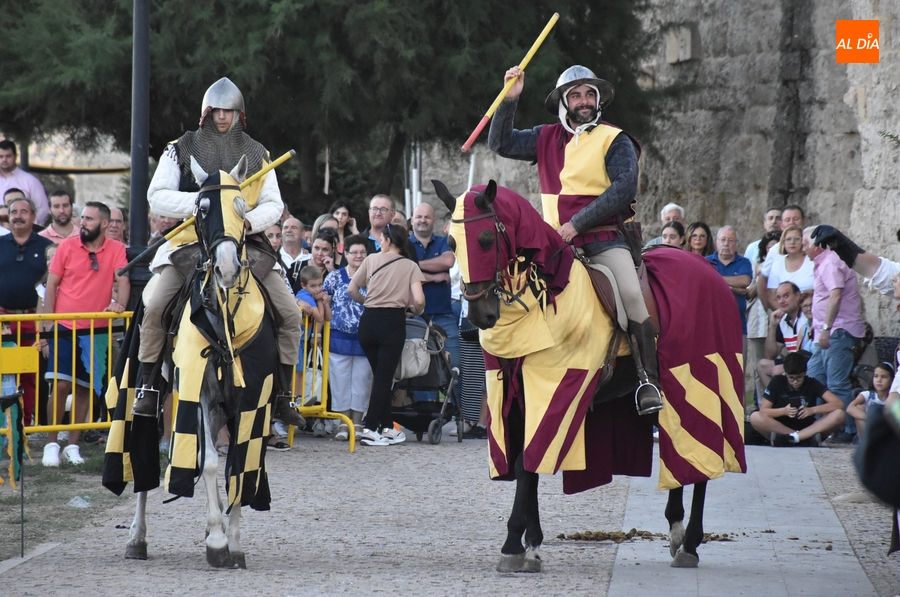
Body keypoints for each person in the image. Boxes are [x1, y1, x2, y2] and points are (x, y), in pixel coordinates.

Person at [487, 64, 663, 414]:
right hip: (554, 246)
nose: (583, 101)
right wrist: (509, 98)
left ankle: (649, 382)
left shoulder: (616, 139)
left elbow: (623, 187)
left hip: (603, 240)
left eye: (588, 95)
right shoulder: (545, 137)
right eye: (575, 95)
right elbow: (500, 142)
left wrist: (577, 224)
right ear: (564, 103)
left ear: (597, 100)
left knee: (631, 296)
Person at [132, 77, 304, 429]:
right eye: (217, 110)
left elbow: (274, 203)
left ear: (239, 114)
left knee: (290, 314)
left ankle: (284, 395)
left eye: (229, 111)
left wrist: (241, 221)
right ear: (205, 113)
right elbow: (157, 194)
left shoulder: (257, 153)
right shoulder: (179, 148)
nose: (223, 117)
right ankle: (148, 386)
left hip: (245, 242)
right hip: (190, 242)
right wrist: (204, 203)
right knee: (155, 306)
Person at [41, 202, 129, 466]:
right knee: (60, 384)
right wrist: (47, 326)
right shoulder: (66, 246)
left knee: (84, 388)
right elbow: (51, 286)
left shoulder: (117, 249)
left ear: (104, 224)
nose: (83, 223)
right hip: (64, 326)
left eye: (90, 219)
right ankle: (51, 443)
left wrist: (120, 304)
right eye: (84, 218)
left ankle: (72, 445)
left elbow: (122, 280)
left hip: (97, 329)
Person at [348, 224, 425, 446]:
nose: (380, 243)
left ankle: (387, 426)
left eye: (381, 240)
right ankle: (370, 428)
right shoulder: (410, 266)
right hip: (392, 322)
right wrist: (414, 311)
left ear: (389, 241)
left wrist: (369, 303)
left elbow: (352, 289)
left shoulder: (371, 260)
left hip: (368, 321)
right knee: (383, 377)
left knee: (380, 376)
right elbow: (419, 300)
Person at [802, 226, 866, 443]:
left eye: (805, 243)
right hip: (826, 330)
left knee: (837, 383)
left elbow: (835, 296)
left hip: (837, 330)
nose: (802, 247)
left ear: (817, 244)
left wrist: (827, 327)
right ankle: (821, 426)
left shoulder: (830, 262)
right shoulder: (823, 262)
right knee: (814, 378)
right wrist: (818, 325)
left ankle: (846, 429)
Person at [0, 195, 54, 427]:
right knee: (3, 372)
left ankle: (26, 423)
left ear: (33, 216)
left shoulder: (46, 247)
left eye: (23, 212)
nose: (18, 216)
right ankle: (4, 426)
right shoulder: (0, 244)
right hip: (3, 319)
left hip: (34, 318)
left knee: (30, 374)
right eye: (14, 212)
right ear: (8, 217)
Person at [322, 235, 372, 441]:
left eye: (362, 252)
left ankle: (358, 422)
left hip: (365, 337)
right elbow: (324, 303)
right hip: (338, 337)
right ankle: (343, 423)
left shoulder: (373, 276)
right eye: (354, 252)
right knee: (340, 381)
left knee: (362, 380)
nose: (358, 256)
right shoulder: (333, 277)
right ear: (346, 254)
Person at [409, 202, 459, 399]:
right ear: (412, 220)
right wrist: (433, 276)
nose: (422, 220)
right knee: (420, 368)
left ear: (434, 221)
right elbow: (402, 271)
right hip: (415, 317)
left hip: (444, 315)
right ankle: (424, 414)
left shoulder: (444, 241)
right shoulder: (405, 244)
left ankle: (457, 417)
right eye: (419, 217)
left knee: (454, 367)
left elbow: (447, 262)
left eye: (427, 217)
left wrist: (415, 266)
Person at [749, 351, 846, 447]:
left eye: (799, 378)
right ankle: (800, 438)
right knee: (755, 417)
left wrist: (812, 410)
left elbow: (838, 403)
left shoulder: (812, 383)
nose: (795, 382)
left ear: (805, 373)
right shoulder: (777, 381)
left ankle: (794, 438)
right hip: (781, 426)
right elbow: (764, 411)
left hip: (809, 427)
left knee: (839, 414)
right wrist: (784, 411)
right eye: (791, 378)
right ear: (785, 374)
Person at [294, 265, 332, 439]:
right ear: (304, 285)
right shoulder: (304, 297)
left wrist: (323, 303)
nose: (318, 289)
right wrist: (320, 302)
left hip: (304, 339)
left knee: (301, 369)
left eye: (320, 285)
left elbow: (327, 318)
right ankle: (297, 398)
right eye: (313, 286)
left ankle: (300, 397)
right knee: (299, 370)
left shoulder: (308, 295)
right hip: (298, 339)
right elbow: (318, 317)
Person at [746, 231, 782, 406]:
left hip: (779, 318)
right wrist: (761, 278)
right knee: (759, 362)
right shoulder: (757, 265)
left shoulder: (785, 265)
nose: (772, 250)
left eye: (776, 246)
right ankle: (762, 402)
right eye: (769, 247)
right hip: (758, 319)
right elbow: (748, 292)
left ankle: (780, 399)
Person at [757, 282, 810, 390]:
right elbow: (770, 355)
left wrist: (785, 367)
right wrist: (772, 326)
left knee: (778, 370)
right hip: (794, 361)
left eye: (786, 296)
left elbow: (811, 352)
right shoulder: (782, 320)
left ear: (797, 295)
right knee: (762, 365)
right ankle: (777, 401)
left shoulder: (806, 315)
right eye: (779, 298)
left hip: (809, 361)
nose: (782, 301)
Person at [706, 226, 753, 343]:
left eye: (731, 240)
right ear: (716, 242)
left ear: (736, 243)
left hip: (736, 325)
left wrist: (714, 278)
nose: (726, 243)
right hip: (710, 326)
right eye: (722, 240)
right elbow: (704, 284)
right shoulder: (705, 262)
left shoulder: (744, 262)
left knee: (739, 361)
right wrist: (732, 288)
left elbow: (744, 281)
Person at [760, 225, 813, 310]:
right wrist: (786, 318)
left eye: (796, 239)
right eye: (788, 239)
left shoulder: (812, 261)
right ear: (783, 243)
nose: (792, 242)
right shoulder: (777, 265)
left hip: (811, 312)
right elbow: (772, 297)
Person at [0, 140, 50, 226]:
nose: (4, 160)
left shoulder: (30, 181)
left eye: (8, 156)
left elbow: (43, 209)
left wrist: (29, 226)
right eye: (1, 156)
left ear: (15, 156)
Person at [847, 362, 894, 439]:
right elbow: (850, 408)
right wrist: (870, 418)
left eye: (884, 377)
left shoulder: (893, 398)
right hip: (867, 430)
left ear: (892, 380)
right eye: (876, 376)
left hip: (886, 432)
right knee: (858, 407)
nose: (879, 380)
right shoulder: (867, 395)